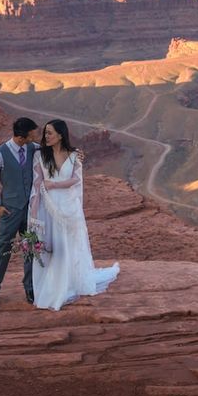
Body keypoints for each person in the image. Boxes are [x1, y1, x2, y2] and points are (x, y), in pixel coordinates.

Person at [28, 119, 119, 311]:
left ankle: (69, 283)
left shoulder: (74, 155)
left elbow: (76, 180)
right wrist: (34, 210)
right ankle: (55, 286)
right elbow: (37, 184)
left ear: (61, 135)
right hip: (48, 205)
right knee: (53, 246)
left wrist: (54, 184)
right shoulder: (39, 155)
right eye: (45, 133)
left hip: (69, 206)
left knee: (69, 245)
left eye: (50, 133)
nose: (46, 136)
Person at [0, 117, 39, 309]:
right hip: (9, 211)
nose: (35, 136)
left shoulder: (34, 148)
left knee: (30, 249)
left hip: (30, 211)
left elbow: (55, 151)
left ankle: (30, 288)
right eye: (33, 133)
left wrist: (75, 153)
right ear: (23, 136)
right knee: (2, 250)